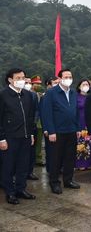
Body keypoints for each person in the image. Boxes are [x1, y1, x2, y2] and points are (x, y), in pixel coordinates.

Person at [41, 69, 81, 194]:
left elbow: (76, 112)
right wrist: (51, 131)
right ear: (59, 79)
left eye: (70, 76)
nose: (68, 78)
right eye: (65, 76)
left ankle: (68, 180)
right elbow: (46, 113)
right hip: (57, 132)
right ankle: (54, 182)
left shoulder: (73, 92)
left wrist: (78, 128)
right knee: (55, 158)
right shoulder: (51, 93)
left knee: (70, 157)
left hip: (71, 130)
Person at [0, 68, 36, 204]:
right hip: (9, 137)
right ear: (10, 80)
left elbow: (30, 117)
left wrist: (31, 133)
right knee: (8, 166)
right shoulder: (3, 95)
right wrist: (1, 138)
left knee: (23, 165)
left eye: (23, 77)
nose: (21, 80)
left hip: (26, 136)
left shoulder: (27, 95)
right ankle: (10, 192)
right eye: (18, 78)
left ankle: (21, 189)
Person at [40, 76, 59, 174]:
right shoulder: (45, 96)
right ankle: (50, 169)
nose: (57, 84)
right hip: (49, 129)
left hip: (58, 128)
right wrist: (45, 129)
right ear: (49, 85)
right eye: (55, 83)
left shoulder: (58, 95)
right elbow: (44, 114)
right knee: (50, 151)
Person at [24, 77, 40, 180]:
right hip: (19, 128)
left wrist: (33, 122)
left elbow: (36, 110)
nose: (28, 84)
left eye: (30, 83)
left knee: (31, 151)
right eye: (26, 82)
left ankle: (29, 171)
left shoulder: (33, 95)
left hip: (31, 127)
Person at [75, 79, 91, 170]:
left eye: (87, 84)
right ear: (79, 86)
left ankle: (88, 163)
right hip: (79, 122)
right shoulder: (76, 97)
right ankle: (79, 164)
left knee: (88, 143)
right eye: (83, 84)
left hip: (88, 123)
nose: (85, 86)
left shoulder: (90, 97)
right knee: (80, 143)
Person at [31, 75, 45, 167]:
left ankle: (38, 158)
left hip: (40, 121)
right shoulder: (29, 94)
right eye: (36, 83)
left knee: (39, 142)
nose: (38, 85)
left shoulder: (41, 95)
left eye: (39, 84)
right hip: (32, 121)